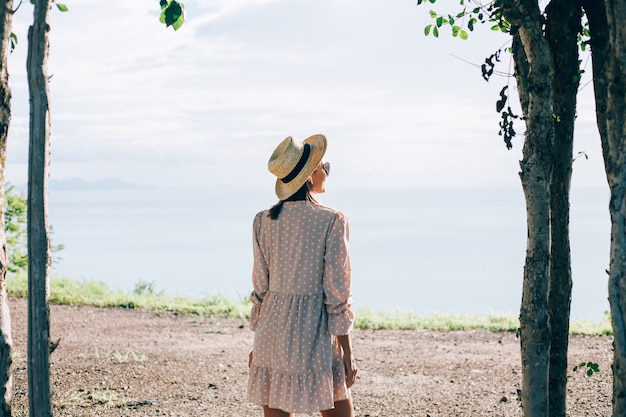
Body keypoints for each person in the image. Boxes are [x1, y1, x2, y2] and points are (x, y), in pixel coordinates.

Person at [247, 134, 358, 417]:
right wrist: (346, 350)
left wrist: (258, 344)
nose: (327, 173)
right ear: (310, 175)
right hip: (314, 332)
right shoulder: (331, 219)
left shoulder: (263, 220)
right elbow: (337, 292)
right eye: (325, 167)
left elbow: (261, 287)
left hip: (272, 335)